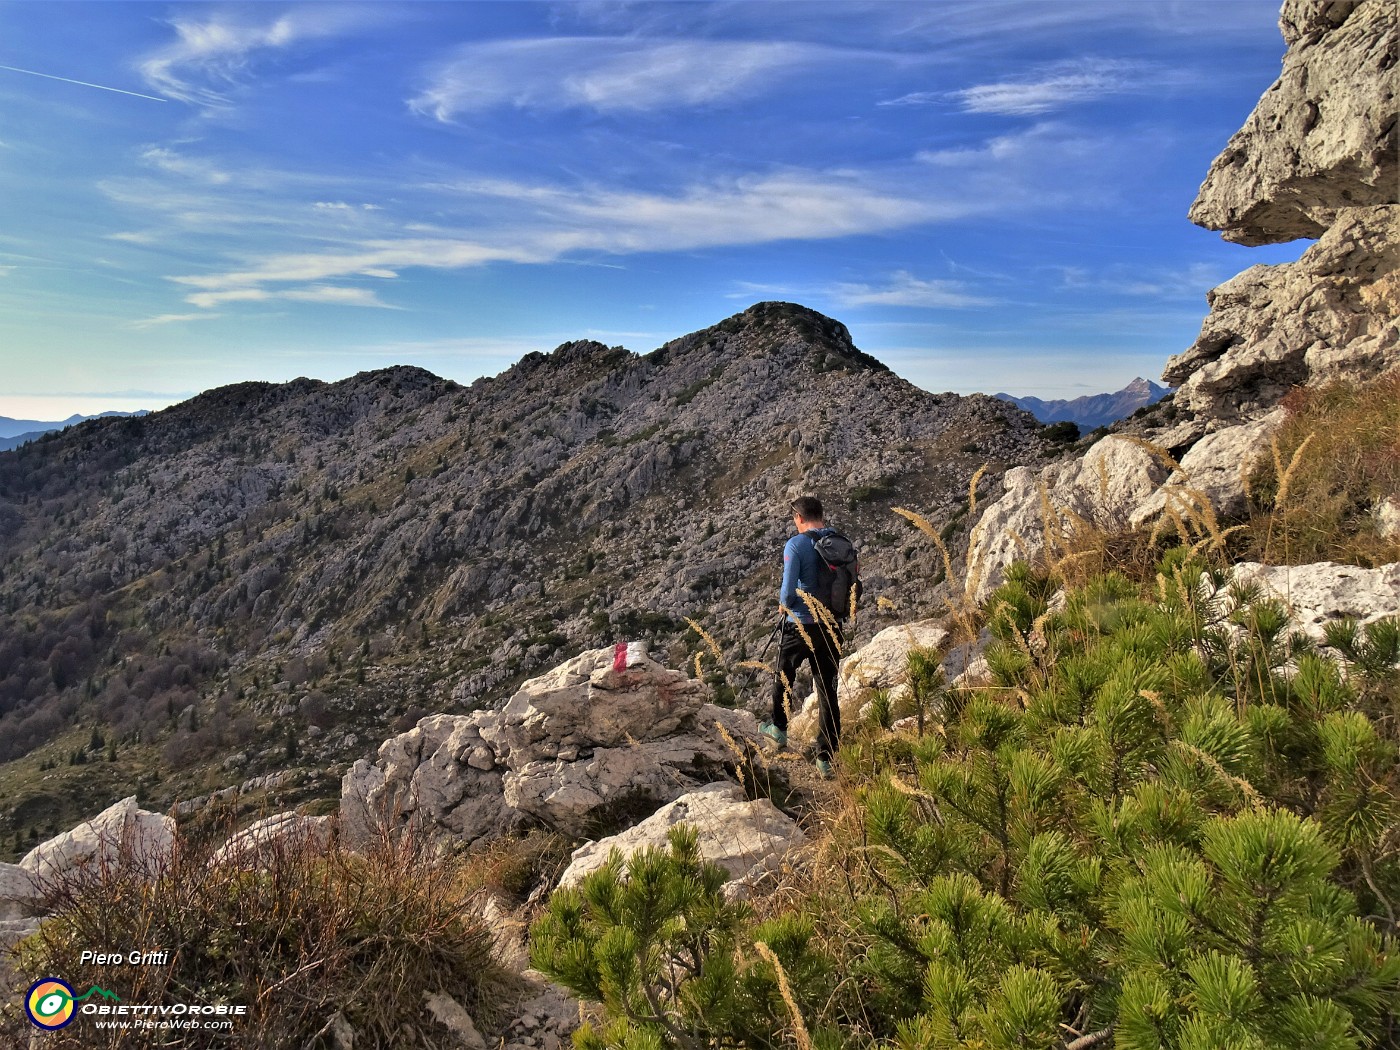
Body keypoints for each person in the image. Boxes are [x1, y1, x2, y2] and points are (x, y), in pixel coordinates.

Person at [759, 495, 844, 778]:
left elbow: (787, 592)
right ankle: (826, 757)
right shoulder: (839, 540)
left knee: (784, 675)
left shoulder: (796, 545)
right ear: (821, 515)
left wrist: (785, 605)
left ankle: (779, 729)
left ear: (798, 517)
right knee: (827, 689)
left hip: (801, 625)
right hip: (831, 627)